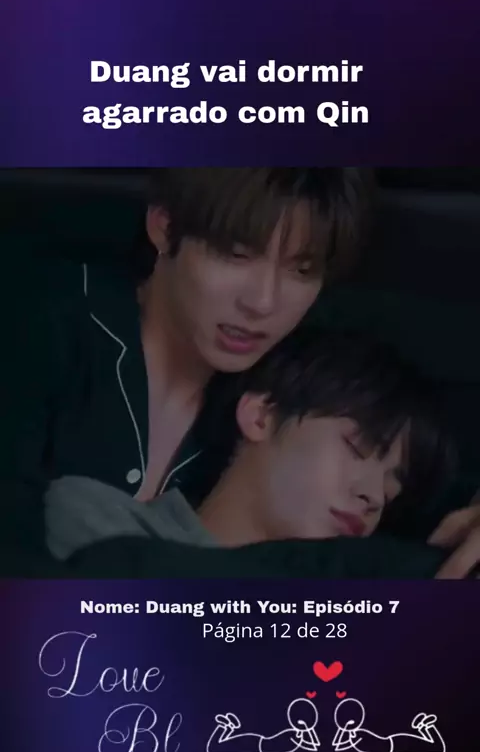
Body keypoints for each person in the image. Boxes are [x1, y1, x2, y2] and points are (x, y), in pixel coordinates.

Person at [0, 168, 372, 555]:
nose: (262, 303)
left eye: (301, 271)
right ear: (164, 227)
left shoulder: (268, 407)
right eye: (236, 255)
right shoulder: (44, 323)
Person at [44, 328, 452, 560]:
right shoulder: (102, 519)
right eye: (357, 447)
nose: (374, 497)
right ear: (260, 417)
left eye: (391, 489)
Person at [332, 698, 446, 752]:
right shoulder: (358, 736)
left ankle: (426, 726)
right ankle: (424, 726)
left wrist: (343, 727)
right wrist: (343, 727)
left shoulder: (359, 736)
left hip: (396, 745)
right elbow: (337, 745)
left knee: (436, 748)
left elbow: (338, 745)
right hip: (395, 744)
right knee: (434, 747)